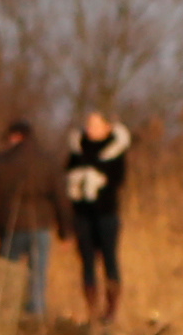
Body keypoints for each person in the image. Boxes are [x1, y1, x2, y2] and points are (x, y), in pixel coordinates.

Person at [58, 109, 135, 323]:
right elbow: (66, 175)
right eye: (88, 124)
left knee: (110, 259)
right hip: (82, 215)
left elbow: (118, 180)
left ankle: (111, 311)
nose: (90, 128)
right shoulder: (77, 149)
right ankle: (92, 310)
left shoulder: (116, 150)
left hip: (107, 214)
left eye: (95, 124)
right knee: (87, 262)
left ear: (107, 127)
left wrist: (95, 179)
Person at [0, 116, 61, 321]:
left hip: (10, 225)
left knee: (6, 276)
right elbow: (60, 195)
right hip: (40, 225)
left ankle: (5, 315)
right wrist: (65, 227)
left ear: (15, 137)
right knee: (37, 275)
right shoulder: (48, 161)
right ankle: (36, 317)